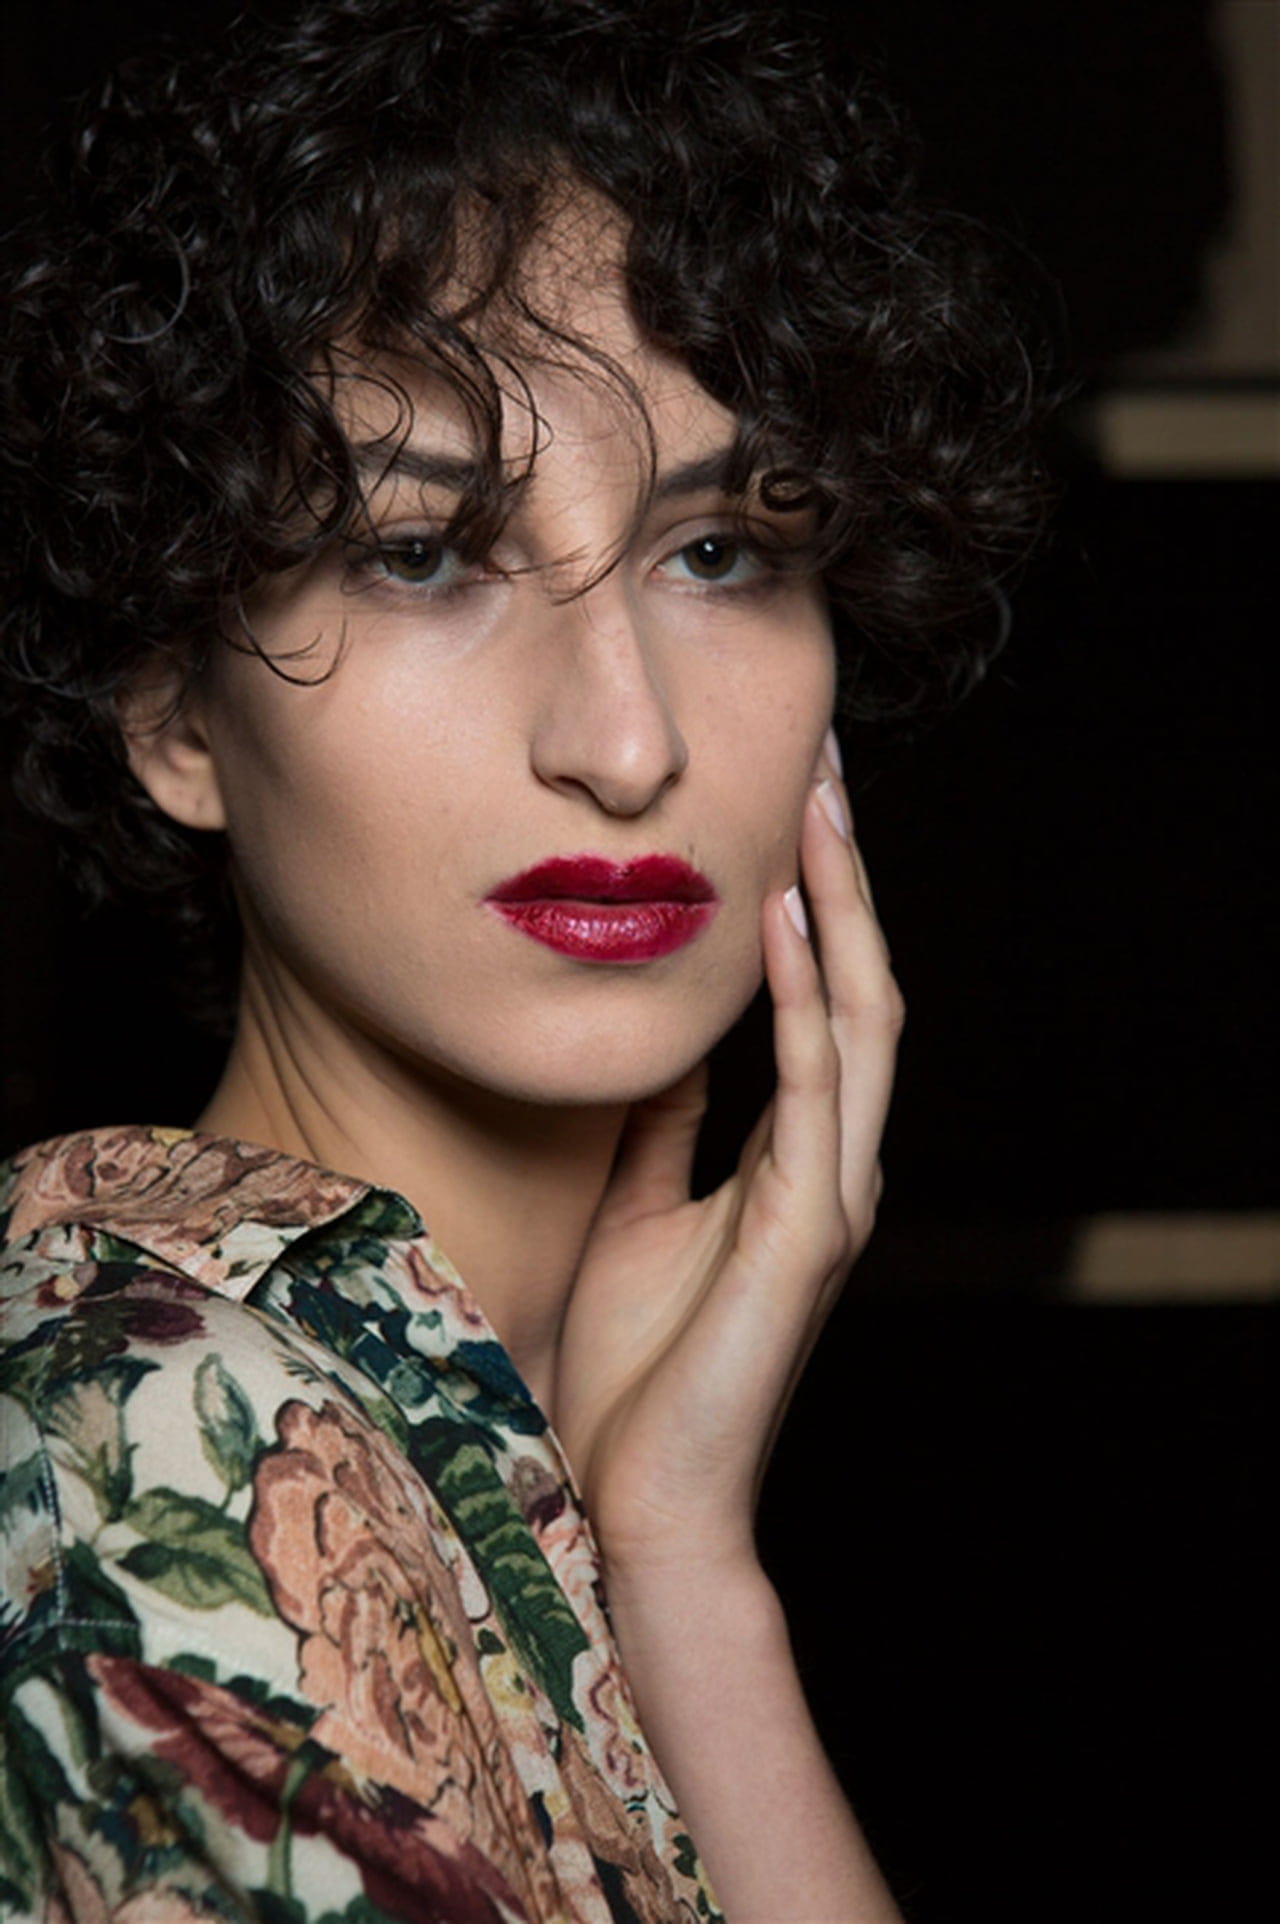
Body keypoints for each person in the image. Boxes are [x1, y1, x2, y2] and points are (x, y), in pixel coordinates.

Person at [0, 2, 1049, 1918]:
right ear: (172, 708)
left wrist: (683, 1577)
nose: (625, 743)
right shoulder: (147, 1446)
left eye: (720, 551)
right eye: (422, 553)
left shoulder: (471, 1451)